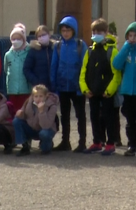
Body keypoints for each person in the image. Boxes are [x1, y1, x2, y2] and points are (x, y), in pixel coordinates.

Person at [80, 18, 121, 156]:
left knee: (109, 118)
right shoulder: (89, 51)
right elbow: (83, 71)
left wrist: (109, 90)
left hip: (106, 92)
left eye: (100, 31)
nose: (96, 34)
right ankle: (97, 141)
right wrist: (85, 89)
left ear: (106, 32)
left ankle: (110, 143)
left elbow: (116, 73)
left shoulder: (111, 50)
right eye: (94, 31)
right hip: (92, 91)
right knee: (94, 117)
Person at [51, 16, 88, 152]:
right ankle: (65, 141)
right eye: (63, 30)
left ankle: (82, 142)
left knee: (80, 115)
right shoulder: (58, 46)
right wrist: (54, 84)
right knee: (64, 115)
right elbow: (54, 65)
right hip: (62, 86)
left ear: (74, 31)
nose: (65, 33)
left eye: (68, 30)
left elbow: (85, 66)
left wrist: (83, 86)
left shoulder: (80, 45)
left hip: (77, 86)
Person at [113, 22, 136, 157]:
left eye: (135, 36)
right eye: (130, 35)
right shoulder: (126, 49)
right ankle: (132, 144)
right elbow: (116, 64)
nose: (132, 38)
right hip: (127, 91)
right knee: (129, 120)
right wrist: (126, 46)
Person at [13, 84, 58, 156]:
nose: (38, 99)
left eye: (41, 96)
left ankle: (46, 145)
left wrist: (41, 112)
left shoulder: (52, 106)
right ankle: (25, 146)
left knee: (44, 135)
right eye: (36, 96)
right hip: (32, 128)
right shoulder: (29, 102)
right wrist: (20, 114)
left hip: (45, 130)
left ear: (46, 96)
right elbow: (23, 116)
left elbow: (46, 126)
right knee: (16, 121)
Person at [4, 23, 31, 110]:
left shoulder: (29, 52)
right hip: (12, 89)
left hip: (26, 89)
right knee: (14, 111)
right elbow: (5, 69)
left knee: (26, 111)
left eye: (18, 39)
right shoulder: (8, 54)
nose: (16, 41)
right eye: (13, 39)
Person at [23, 25, 54, 89]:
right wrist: (36, 82)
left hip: (54, 86)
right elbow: (26, 69)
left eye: (44, 34)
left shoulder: (55, 49)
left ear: (49, 35)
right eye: (39, 36)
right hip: (39, 88)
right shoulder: (34, 50)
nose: (42, 37)